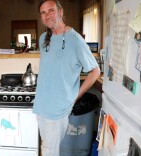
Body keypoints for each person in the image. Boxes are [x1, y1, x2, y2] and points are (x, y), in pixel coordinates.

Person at [33, 0, 101, 155]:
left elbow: (95, 71)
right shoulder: (43, 38)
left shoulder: (75, 39)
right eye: (43, 12)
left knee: (50, 151)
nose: (47, 15)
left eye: (51, 10)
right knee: (47, 147)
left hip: (58, 108)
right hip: (41, 105)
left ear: (61, 11)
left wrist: (75, 97)